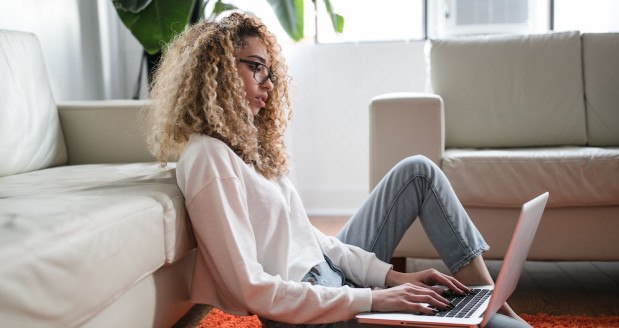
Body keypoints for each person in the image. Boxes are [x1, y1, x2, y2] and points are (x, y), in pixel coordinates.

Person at [143, 13, 531, 328]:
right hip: (308, 313)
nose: (269, 84)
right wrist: (374, 299)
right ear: (219, 69)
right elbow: (250, 288)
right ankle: (491, 314)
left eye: (271, 72)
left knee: (418, 172)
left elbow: (311, 239)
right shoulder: (208, 157)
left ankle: (489, 299)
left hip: (332, 280)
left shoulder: (249, 149)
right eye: (257, 68)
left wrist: (390, 278)